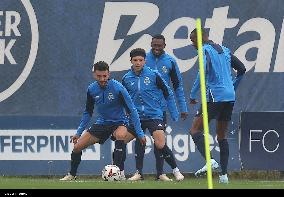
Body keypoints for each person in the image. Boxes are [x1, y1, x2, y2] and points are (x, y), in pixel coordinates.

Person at [60, 61, 146, 181]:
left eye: (104, 76)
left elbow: (132, 110)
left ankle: (117, 173)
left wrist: (140, 133)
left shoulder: (118, 88)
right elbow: (88, 112)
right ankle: (71, 174)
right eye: (99, 76)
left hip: (120, 122)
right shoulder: (91, 89)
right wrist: (78, 133)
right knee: (77, 147)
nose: (102, 79)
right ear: (94, 75)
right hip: (103, 122)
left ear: (109, 74)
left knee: (120, 135)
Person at [188, 28, 246, 184]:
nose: (192, 44)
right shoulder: (225, 50)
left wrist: (193, 95)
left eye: (193, 40)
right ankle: (224, 176)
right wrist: (232, 87)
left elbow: (202, 73)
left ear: (201, 38)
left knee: (195, 130)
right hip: (229, 97)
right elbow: (242, 69)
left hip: (215, 96)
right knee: (221, 135)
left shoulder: (204, 50)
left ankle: (210, 161)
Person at [122, 48, 184, 181]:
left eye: (140, 60)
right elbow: (123, 99)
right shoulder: (126, 78)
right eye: (135, 60)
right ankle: (126, 173)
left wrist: (174, 112)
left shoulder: (154, 74)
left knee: (160, 143)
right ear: (131, 61)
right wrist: (125, 114)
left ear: (145, 61)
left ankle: (176, 171)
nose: (138, 63)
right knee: (121, 140)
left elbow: (168, 93)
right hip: (136, 117)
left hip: (154, 115)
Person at [145, 34, 189, 177]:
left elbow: (177, 86)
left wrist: (183, 108)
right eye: (154, 45)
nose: (156, 48)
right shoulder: (143, 59)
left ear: (164, 46)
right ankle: (139, 172)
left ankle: (160, 173)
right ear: (151, 44)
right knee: (140, 139)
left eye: (159, 45)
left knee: (159, 141)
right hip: (142, 107)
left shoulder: (170, 61)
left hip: (160, 108)